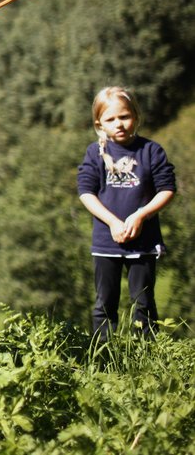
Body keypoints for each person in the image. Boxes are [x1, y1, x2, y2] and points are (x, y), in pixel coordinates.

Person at [77, 87, 175, 342]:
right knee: (104, 305)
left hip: (143, 243)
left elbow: (167, 189)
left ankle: (147, 357)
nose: (119, 124)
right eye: (110, 119)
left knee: (143, 304)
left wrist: (141, 215)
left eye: (124, 116)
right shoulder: (95, 153)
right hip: (105, 243)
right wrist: (112, 222)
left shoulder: (151, 151)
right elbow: (86, 192)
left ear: (136, 116)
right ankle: (104, 357)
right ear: (99, 123)